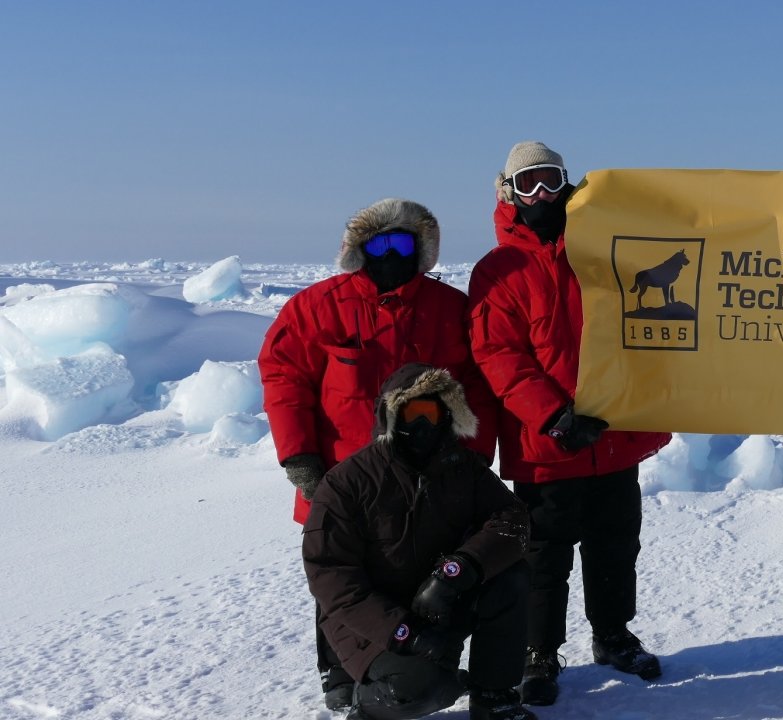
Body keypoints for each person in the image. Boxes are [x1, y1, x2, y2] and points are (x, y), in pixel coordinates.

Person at [259, 198, 499, 711]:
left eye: (403, 242)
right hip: (342, 474)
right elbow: (284, 381)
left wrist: (473, 453)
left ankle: (414, 656)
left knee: (421, 566)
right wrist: (300, 459)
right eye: (379, 243)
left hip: (427, 473)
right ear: (358, 251)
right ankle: (339, 670)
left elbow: (476, 384)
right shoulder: (315, 308)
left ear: (422, 250)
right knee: (340, 571)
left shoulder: (448, 309)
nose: (391, 253)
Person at [469, 141, 672, 707]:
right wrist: (554, 416)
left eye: (551, 180)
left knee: (615, 542)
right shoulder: (498, 270)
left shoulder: (608, 249)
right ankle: (539, 651)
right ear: (508, 192)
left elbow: (652, 317)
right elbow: (497, 355)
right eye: (528, 183)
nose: (541, 194)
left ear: (568, 183)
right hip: (546, 443)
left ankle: (612, 636)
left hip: (614, 434)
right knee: (544, 554)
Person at [302, 363, 539, 720]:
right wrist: (404, 632)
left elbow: (513, 519)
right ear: (391, 416)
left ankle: (494, 698)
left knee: (512, 575)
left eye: (434, 413)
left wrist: (460, 569)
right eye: (414, 413)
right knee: (421, 691)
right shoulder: (346, 483)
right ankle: (365, 701)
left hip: (441, 602)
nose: (424, 425)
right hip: (373, 623)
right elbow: (331, 577)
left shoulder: (463, 468)